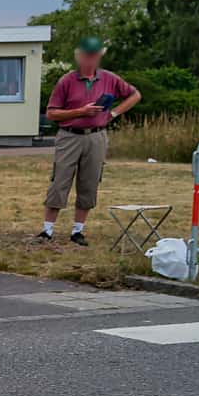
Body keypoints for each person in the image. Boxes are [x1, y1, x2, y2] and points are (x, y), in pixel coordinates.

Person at [40, 35, 140, 245]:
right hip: (70, 136)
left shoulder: (110, 79)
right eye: (87, 56)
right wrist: (79, 112)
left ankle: (78, 231)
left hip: (96, 136)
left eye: (94, 56)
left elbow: (134, 95)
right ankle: (47, 230)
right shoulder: (67, 81)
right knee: (60, 180)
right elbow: (52, 113)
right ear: (79, 57)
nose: (90, 60)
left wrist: (113, 114)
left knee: (90, 181)